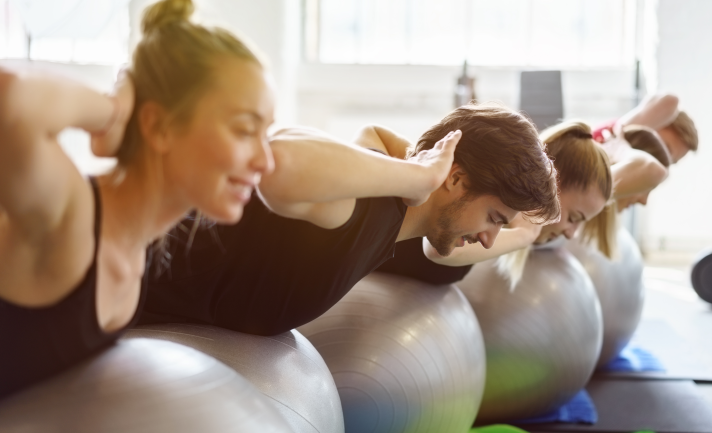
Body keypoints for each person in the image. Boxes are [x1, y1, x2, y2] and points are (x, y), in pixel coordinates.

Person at [0, 0, 275, 398]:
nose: (265, 160)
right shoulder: (71, 217)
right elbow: (11, 99)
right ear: (158, 126)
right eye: (244, 130)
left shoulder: (132, 259)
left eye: (266, 132)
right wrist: (112, 109)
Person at [138, 102, 561, 336]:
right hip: (96, 263)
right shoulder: (366, 207)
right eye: (493, 217)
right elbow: (277, 157)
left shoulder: (391, 222)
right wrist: (417, 172)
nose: (489, 240)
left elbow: (371, 138)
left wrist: (524, 235)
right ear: (454, 178)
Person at [377, 121, 614, 284]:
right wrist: (525, 235)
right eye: (573, 218)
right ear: (555, 188)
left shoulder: (504, 220)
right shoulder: (498, 200)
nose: (572, 234)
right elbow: (437, 252)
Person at [592, 93, 698, 163]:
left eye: (671, 162)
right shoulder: (619, 134)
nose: (663, 162)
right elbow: (671, 101)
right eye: (666, 149)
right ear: (659, 120)